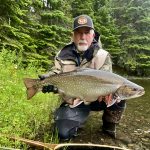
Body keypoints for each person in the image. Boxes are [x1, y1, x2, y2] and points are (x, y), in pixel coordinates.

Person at [39, 14, 126, 140]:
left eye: (86, 32)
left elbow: (109, 80)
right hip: (73, 100)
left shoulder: (103, 55)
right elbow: (55, 72)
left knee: (120, 93)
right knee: (62, 133)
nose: (83, 37)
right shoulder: (62, 55)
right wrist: (48, 79)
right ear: (73, 36)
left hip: (98, 99)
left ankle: (109, 125)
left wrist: (110, 93)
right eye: (79, 33)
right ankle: (75, 121)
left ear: (93, 35)